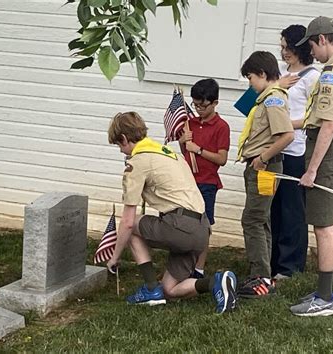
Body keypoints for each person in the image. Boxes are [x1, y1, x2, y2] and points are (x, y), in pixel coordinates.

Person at [106, 111, 237, 314]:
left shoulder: (138, 161)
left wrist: (114, 258)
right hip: (202, 229)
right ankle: (216, 283)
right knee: (171, 289)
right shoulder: (170, 153)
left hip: (181, 226)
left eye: (119, 145)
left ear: (124, 138)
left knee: (131, 226)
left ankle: (150, 288)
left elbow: (128, 222)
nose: (122, 152)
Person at [290, 16, 333, 317]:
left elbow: (328, 125)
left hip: (328, 148)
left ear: (322, 40)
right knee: (329, 223)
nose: (312, 54)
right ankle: (325, 290)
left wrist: (311, 170)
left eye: (312, 47)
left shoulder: (332, 73)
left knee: (323, 225)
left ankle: (326, 297)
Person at [236, 51, 294, 298]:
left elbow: (287, 135)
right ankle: (264, 274)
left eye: (250, 77)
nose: (249, 83)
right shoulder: (265, 98)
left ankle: (259, 277)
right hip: (260, 166)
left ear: (262, 74)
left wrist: (262, 158)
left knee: (252, 219)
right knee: (261, 219)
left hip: (264, 167)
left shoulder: (272, 100)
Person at [270, 25, 320, 280]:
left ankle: (290, 266)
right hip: (271, 150)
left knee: (292, 209)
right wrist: (276, 85)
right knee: (272, 208)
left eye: (287, 47)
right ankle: (271, 261)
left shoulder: (313, 77)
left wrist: (286, 124)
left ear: (299, 47)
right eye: (281, 47)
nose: (283, 52)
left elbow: (317, 116)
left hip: (294, 150)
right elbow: (250, 104)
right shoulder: (278, 74)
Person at [178, 78, 231, 279]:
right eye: (195, 104)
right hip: (187, 180)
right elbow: (186, 152)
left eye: (203, 105)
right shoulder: (189, 123)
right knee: (183, 222)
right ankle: (183, 264)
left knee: (204, 225)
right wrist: (184, 143)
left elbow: (222, 159)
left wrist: (198, 150)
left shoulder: (221, 127)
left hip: (207, 182)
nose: (199, 109)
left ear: (215, 102)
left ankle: (199, 268)